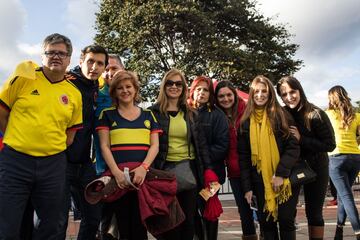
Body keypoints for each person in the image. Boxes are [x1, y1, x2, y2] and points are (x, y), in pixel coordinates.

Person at [0, 33, 83, 239]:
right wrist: (20, 137)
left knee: (51, 225)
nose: (56, 56)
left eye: (61, 53)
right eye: (51, 52)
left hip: (53, 165)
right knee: (7, 224)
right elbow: (2, 114)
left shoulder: (74, 93)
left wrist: (47, 146)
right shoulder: (23, 79)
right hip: (15, 161)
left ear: (69, 59)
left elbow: (70, 133)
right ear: (42, 56)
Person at [97, 70, 161, 239]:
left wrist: (143, 168)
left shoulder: (149, 115)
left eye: (128, 86)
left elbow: (155, 146)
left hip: (142, 179)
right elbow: (104, 146)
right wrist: (117, 174)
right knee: (122, 227)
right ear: (114, 92)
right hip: (119, 180)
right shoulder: (107, 115)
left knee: (141, 227)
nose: (125, 91)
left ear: (135, 89)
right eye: (120, 88)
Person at [149, 69, 212, 240]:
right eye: (170, 83)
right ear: (164, 86)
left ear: (184, 88)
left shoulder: (191, 113)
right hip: (164, 174)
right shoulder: (152, 113)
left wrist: (208, 170)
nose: (174, 87)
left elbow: (201, 145)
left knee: (189, 222)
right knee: (169, 222)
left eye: (178, 84)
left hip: (189, 173)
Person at [238, 75, 300, 240]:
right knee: (267, 223)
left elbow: (293, 147)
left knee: (286, 219)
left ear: (270, 93)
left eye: (264, 91)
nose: (260, 95)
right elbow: (244, 158)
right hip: (259, 180)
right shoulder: (245, 122)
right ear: (251, 94)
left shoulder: (281, 115)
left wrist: (280, 173)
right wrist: (247, 188)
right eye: (256, 91)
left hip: (283, 179)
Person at [58, 45, 109, 240]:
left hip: (86, 164)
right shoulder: (67, 82)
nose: (94, 67)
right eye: (90, 61)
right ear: (80, 62)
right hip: (60, 161)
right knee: (58, 220)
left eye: (99, 63)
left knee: (94, 218)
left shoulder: (97, 87)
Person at [276, 76, 336, 240]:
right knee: (286, 214)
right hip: (293, 168)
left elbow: (330, 145)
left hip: (317, 168)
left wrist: (302, 139)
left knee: (314, 213)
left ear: (299, 90)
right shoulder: (281, 114)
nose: (289, 97)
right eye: (284, 94)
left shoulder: (316, 113)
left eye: (292, 92)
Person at [215, 80, 259, 240]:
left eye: (228, 94)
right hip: (234, 172)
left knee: (262, 208)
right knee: (244, 211)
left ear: (234, 94)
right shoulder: (217, 115)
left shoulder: (248, 110)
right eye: (221, 96)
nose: (225, 99)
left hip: (254, 168)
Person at [188, 76, 229, 240]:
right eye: (199, 89)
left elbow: (222, 146)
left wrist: (201, 159)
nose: (202, 93)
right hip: (191, 174)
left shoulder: (217, 115)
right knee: (192, 211)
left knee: (209, 211)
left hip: (212, 176)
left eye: (206, 90)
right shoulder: (186, 112)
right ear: (192, 91)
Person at [325, 85, 360, 240]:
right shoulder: (357, 116)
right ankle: (339, 230)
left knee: (346, 196)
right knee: (342, 196)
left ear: (331, 98)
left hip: (337, 158)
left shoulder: (328, 114)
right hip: (356, 157)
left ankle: (358, 231)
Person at [95, 54, 125, 175]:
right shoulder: (96, 96)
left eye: (114, 68)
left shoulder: (132, 95)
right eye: (106, 70)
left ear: (123, 68)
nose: (110, 73)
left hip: (131, 166)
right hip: (103, 169)